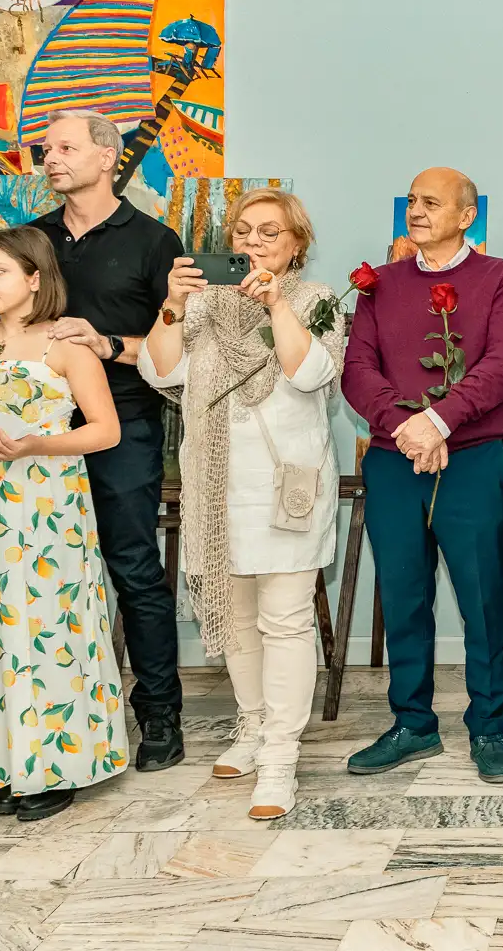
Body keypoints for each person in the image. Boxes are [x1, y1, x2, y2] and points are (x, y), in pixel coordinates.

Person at [0, 109, 186, 770]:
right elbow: (3, 317)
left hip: (118, 427)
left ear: (108, 157)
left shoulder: (154, 240)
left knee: (133, 570)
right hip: (28, 438)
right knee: (41, 581)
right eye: (45, 149)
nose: (50, 158)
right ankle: (50, 718)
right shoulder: (33, 238)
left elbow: (176, 347)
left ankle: (159, 715)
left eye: (65, 147)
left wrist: (107, 343)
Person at [142, 188, 345, 817]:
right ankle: (253, 725)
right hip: (216, 490)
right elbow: (160, 372)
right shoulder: (203, 304)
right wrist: (173, 305)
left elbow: (308, 372)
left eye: (269, 231)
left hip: (287, 486)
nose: (253, 241)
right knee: (236, 620)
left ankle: (281, 755)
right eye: (243, 231)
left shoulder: (318, 300)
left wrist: (276, 303)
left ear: (296, 243)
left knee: (285, 620)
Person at [0, 226, 127, 820]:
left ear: (35, 278)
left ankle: (57, 767)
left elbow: (105, 430)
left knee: (48, 627)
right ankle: (7, 763)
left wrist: (38, 443)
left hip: (46, 504)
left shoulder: (64, 345)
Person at [343, 168, 503, 783]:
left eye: (431, 202)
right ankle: (413, 724)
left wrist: (440, 422)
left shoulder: (502, 277)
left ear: (466, 215)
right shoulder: (379, 284)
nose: (416, 211)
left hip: (473, 460)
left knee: (483, 597)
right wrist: (408, 427)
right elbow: (357, 370)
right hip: (395, 459)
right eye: (411, 201)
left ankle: (490, 727)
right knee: (402, 596)